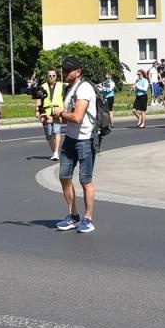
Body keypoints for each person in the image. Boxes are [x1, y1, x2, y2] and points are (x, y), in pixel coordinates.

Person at [51, 55, 98, 235]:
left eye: (68, 70)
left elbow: (77, 117)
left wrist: (61, 114)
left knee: (85, 180)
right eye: (63, 69)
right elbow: (67, 115)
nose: (64, 73)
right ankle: (73, 215)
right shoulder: (69, 89)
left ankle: (88, 218)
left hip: (85, 139)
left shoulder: (84, 88)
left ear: (78, 72)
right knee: (64, 177)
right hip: (70, 139)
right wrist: (52, 117)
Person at [37, 67, 64, 159]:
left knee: (56, 131)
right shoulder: (43, 86)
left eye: (53, 75)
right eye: (50, 75)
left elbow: (65, 98)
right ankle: (54, 152)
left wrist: (64, 111)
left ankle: (56, 152)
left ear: (56, 76)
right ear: (47, 76)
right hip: (46, 112)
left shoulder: (61, 85)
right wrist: (37, 111)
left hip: (57, 111)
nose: (51, 77)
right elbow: (39, 100)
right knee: (49, 135)